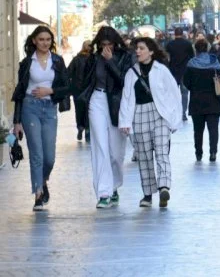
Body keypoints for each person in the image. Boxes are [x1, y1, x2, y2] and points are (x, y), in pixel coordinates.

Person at [11, 26, 70, 211]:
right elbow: (20, 92)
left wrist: (50, 90)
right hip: (30, 108)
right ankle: (37, 194)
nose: (45, 43)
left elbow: (68, 87)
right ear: (34, 41)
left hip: (49, 109)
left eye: (48, 39)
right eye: (41, 39)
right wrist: (16, 122)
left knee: (50, 158)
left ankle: (43, 181)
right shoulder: (27, 63)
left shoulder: (58, 61)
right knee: (36, 153)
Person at [119, 37, 182, 208]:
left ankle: (164, 187)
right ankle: (147, 194)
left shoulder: (161, 70)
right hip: (139, 114)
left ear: (151, 51)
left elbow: (173, 93)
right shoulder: (131, 73)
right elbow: (127, 98)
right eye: (136, 49)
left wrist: (175, 119)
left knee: (162, 152)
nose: (137, 51)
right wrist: (125, 121)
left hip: (159, 114)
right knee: (144, 156)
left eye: (141, 48)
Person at [79, 26, 133, 209]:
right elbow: (84, 81)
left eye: (110, 44)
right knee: (100, 146)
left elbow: (124, 81)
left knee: (116, 153)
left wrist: (110, 61)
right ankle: (103, 192)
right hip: (97, 100)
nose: (107, 48)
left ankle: (114, 185)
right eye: (103, 44)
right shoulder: (93, 58)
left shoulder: (125, 57)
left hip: (117, 104)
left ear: (116, 43)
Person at [183, 39, 220, 162]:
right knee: (213, 129)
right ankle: (213, 152)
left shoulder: (191, 63)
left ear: (196, 49)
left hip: (197, 101)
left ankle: (198, 153)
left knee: (198, 130)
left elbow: (186, 82)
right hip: (213, 101)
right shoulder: (214, 62)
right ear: (207, 48)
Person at [166, 28, 195, 121]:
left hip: (173, 71)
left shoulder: (169, 44)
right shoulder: (187, 44)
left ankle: (173, 111)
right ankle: (183, 113)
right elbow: (192, 57)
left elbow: (166, 57)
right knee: (185, 93)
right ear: (182, 34)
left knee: (172, 93)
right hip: (185, 71)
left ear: (174, 34)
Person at [68, 40, 92, 141]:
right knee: (88, 110)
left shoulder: (76, 59)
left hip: (77, 90)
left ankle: (80, 127)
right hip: (89, 90)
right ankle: (87, 130)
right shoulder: (93, 59)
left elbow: (68, 72)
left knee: (78, 110)